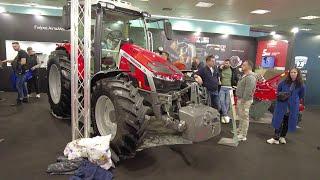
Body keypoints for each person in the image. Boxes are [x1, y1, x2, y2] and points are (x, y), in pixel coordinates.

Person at [267, 68, 305, 144]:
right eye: (291, 72)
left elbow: (301, 95)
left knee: (287, 121)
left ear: (298, 74)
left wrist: (294, 100)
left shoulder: (301, 85)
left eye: (294, 72)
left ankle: (282, 137)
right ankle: (275, 138)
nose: (293, 74)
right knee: (279, 120)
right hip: (282, 104)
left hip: (292, 106)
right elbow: (278, 91)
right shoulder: (283, 82)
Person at [235, 60, 257, 141]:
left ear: (249, 66)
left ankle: (243, 135)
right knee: (241, 116)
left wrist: (243, 100)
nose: (242, 66)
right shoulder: (245, 75)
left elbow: (249, 90)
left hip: (245, 100)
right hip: (241, 99)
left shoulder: (250, 77)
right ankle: (240, 130)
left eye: (244, 65)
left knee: (244, 117)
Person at [219, 59, 239, 123]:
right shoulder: (221, 69)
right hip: (222, 87)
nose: (226, 64)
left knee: (227, 103)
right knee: (221, 101)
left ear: (230, 64)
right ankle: (225, 115)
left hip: (229, 88)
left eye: (227, 63)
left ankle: (223, 116)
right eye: (225, 63)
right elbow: (217, 75)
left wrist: (235, 84)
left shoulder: (233, 70)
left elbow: (236, 78)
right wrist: (220, 69)